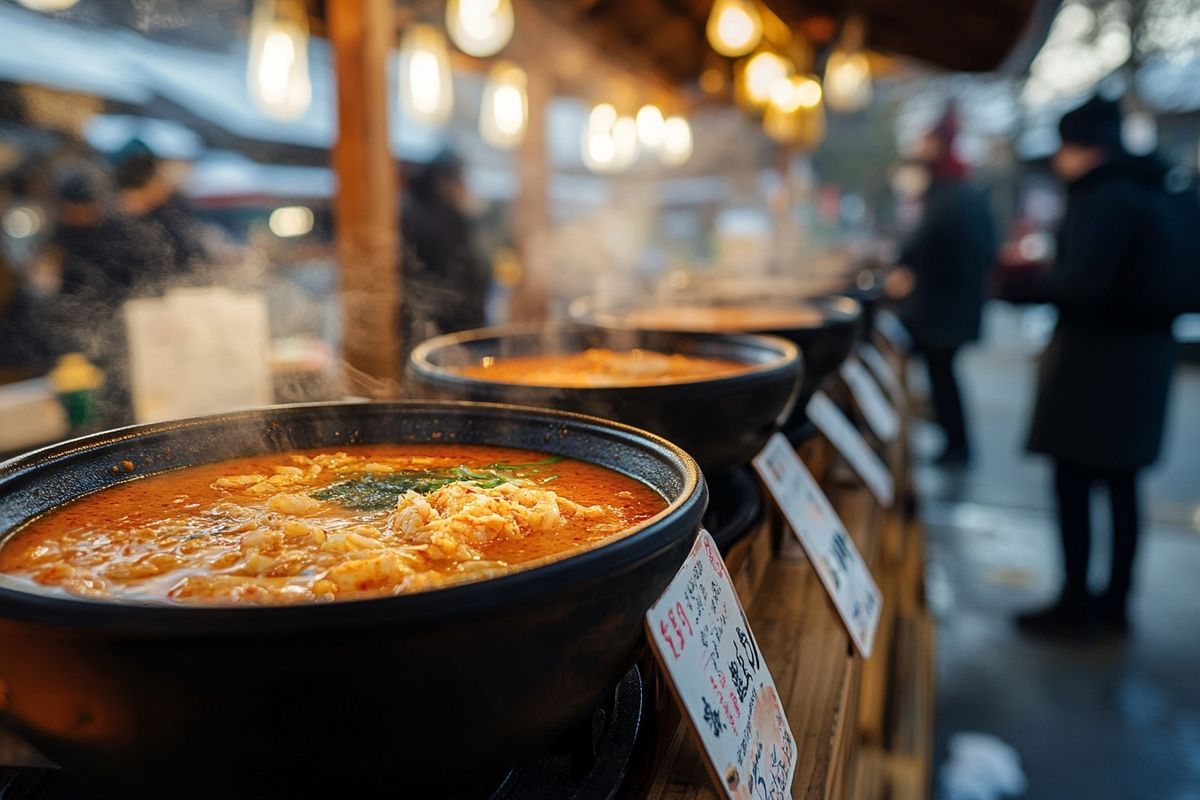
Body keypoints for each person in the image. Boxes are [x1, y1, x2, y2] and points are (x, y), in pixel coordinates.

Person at [1000, 96, 1189, 635]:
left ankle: (1075, 604)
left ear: (1081, 146)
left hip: (1095, 367)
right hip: (1148, 363)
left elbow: (1083, 283)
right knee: (1124, 487)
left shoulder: (1102, 198)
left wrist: (1023, 284)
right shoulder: (1156, 188)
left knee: (1074, 483)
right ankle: (1115, 606)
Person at [888, 110, 997, 466]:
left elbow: (927, 245)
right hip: (956, 306)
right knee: (945, 377)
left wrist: (906, 268)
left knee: (944, 378)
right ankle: (954, 442)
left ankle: (957, 447)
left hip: (943, 309)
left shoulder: (948, 195)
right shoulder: (963, 191)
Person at [400, 150, 489, 350]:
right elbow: (458, 277)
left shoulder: (412, 210)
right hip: (445, 332)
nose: (466, 188)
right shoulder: (443, 219)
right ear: (446, 182)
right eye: (462, 181)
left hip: (421, 329)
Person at [114, 140, 207, 283]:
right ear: (148, 182)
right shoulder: (117, 224)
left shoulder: (163, 215)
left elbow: (192, 254)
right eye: (159, 179)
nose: (164, 185)